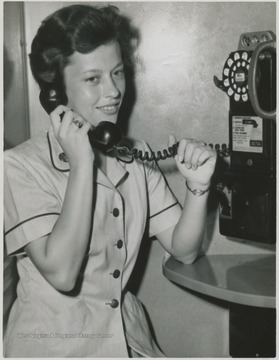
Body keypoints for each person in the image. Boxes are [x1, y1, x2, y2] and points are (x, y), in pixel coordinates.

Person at [4, 4, 217, 358]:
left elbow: (185, 249)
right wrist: (82, 163)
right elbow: (61, 272)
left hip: (124, 342)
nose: (114, 91)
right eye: (93, 79)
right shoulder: (20, 167)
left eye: (117, 73)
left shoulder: (133, 155)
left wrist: (198, 187)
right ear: (55, 93)